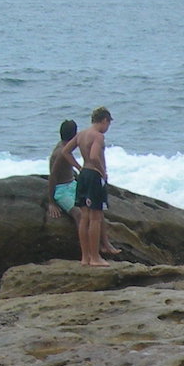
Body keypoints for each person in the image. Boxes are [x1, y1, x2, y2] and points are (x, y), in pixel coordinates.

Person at [70, 107, 118, 266]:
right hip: (94, 176)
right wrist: (102, 171)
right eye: (108, 124)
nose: (107, 128)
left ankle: (85, 258)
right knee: (96, 218)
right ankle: (95, 257)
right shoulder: (98, 136)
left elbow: (65, 151)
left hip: (83, 175)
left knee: (84, 217)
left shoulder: (81, 134)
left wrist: (78, 167)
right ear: (104, 121)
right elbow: (94, 156)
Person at [46, 119, 79, 220]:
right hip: (62, 190)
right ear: (74, 135)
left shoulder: (66, 146)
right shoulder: (61, 152)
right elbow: (53, 176)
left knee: (92, 208)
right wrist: (51, 202)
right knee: (79, 214)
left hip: (72, 184)